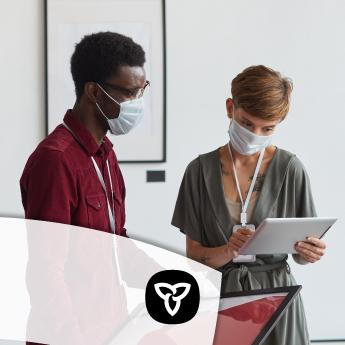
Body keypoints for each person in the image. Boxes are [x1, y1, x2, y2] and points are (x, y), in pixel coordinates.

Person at [171, 65, 326, 344]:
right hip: (220, 300)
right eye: (246, 123)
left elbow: (302, 254)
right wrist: (229, 249)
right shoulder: (199, 171)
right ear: (231, 107)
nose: (255, 134)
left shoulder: (290, 169)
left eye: (267, 128)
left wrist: (309, 252)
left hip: (278, 301)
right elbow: (193, 258)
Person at [20, 31, 149, 236]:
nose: (138, 102)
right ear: (94, 92)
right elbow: (48, 262)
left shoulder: (106, 153)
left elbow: (118, 240)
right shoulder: (56, 160)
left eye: (142, 91)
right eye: (130, 92)